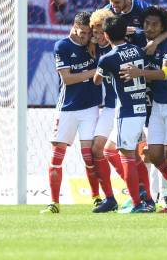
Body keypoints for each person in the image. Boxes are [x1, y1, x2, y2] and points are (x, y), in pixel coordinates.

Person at [120, 6, 167, 213]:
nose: (149, 28)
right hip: (157, 105)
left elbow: (164, 73)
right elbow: (118, 31)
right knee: (153, 155)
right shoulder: (138, 38)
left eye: (154, 24)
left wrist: (138, 72)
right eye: (146, 23)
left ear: (162, 27)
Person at [40, 12, 103, 215]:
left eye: (88, 32)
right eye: (81, 32)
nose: (85, 36)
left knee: (89, 155)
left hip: (90, 107)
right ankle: (54, 202)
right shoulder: (62, 46)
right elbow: (67, 79)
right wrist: (95, 72)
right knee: (57, 155)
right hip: (67, 108)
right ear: (74, 27)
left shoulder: (96, 44)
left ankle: (96, 198)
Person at [94, 15, 154, 213]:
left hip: (126, 111)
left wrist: (105, 70)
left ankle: (137, 203)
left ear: (106, 35)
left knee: (127, 155)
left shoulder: (107, 58)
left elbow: (96, 80)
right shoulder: (137, 50)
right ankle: (147, 198)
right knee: (110, 151)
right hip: (139, 108)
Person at [89, 8, 121, 213]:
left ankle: (141, 193)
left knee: (132, 153)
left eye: (101, 32)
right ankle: (110, 198)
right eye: (95, 32)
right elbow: (77, 31)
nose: (98, 36)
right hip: (110, 106)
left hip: (126, 106)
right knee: (96, 149)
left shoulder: (122, 46)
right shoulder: (94, 47)